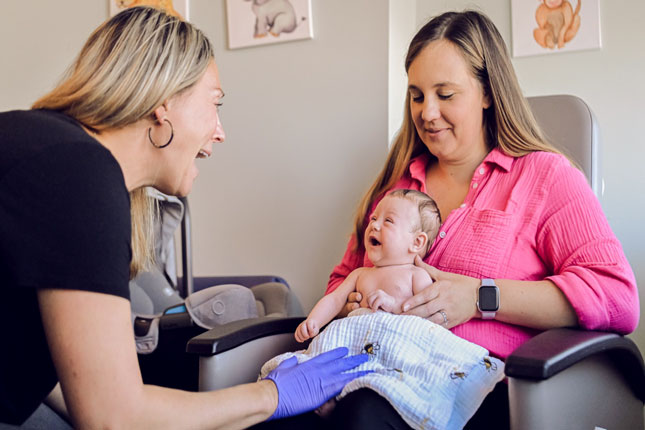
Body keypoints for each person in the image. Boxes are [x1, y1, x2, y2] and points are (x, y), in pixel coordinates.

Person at [265, 9, 640, 430]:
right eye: (417, 95)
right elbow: (342, 279)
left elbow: (617, 297)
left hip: (477, 386)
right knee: (275, 408)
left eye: (445, 94)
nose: (427, 112)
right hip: (373, 366)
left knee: (364, 416)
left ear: (486, 92)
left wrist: (482, 298)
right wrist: (355, 300)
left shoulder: (544, 177)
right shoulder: (397, 187)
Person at [0, 7, 371, 429]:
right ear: (164, 104)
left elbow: (57, 379)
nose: (220, 131)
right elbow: (113, 418)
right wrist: (271, 395)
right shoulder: (80, 172)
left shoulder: (51, 150)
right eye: (215, 104)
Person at [295, 189, 441, 343]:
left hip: (393, 345)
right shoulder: (360, 274)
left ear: (416, 242)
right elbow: (335, 300)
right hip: (354, 343)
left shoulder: (416, 276)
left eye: (388, 221)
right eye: (374, 218)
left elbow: (428, 319)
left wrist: (394, 305)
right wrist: (314, 321)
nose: (375, 225)